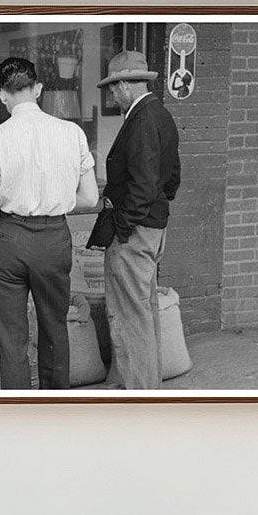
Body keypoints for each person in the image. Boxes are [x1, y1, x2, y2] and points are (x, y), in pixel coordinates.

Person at [0, 57, 99, 389]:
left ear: (1, 95)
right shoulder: (73, 133)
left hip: (9, 239)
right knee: (55, 326)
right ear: (38, 89)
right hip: (54, 237)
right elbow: (89, 198)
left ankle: (18, 414)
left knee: (12, 335)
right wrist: (53, 199)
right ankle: (54, 409)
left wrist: (6, 197)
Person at [94, 50, 181, 389]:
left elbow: (143, 185)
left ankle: (141, 392)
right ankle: (134, 380)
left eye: (113, 88)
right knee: (142, 309)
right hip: (153, 226)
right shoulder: (160, 115)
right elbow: (172, 177)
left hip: (135, 230)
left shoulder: (141, 120)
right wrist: (156, 209)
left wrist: (123, 227)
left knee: (131, 315)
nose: (112, 95)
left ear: (127, 86)